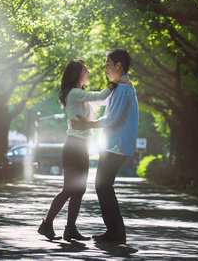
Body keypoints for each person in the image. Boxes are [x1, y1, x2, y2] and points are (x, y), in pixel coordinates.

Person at [38, 59, 130, 241]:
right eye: (85, 69)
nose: (88, 71)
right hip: (73, 146)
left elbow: (102, 102)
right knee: (69, 189)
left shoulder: (81, 94)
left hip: (83, 148)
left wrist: (119, 92)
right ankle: (46, 224)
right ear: (77, 74)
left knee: (79, 190)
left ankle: (70, 229)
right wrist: (117, 81)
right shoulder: (73, 93)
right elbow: (101, 96)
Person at [71, 48, 138, 244]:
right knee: (103, 186)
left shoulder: (124, 88)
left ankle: (116, 232)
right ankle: (115, 231)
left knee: (103, 185)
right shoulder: (121, 86)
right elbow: (105, 105)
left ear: (118, 65)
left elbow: (112, 119)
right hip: (113, 144)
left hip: (116, 144)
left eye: (108, 64)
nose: (105, 68)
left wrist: (87, 124)